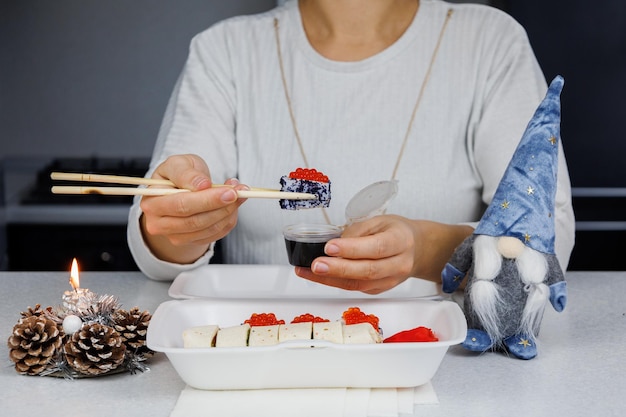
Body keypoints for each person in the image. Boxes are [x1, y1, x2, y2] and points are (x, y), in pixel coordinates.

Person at [127, 0, 575, 294]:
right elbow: (159, 247)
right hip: (265, 351)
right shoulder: (225, 51)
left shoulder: (489, 42)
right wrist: (179, 225)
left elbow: (546, 238)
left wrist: (427, 248)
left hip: (438, 358)